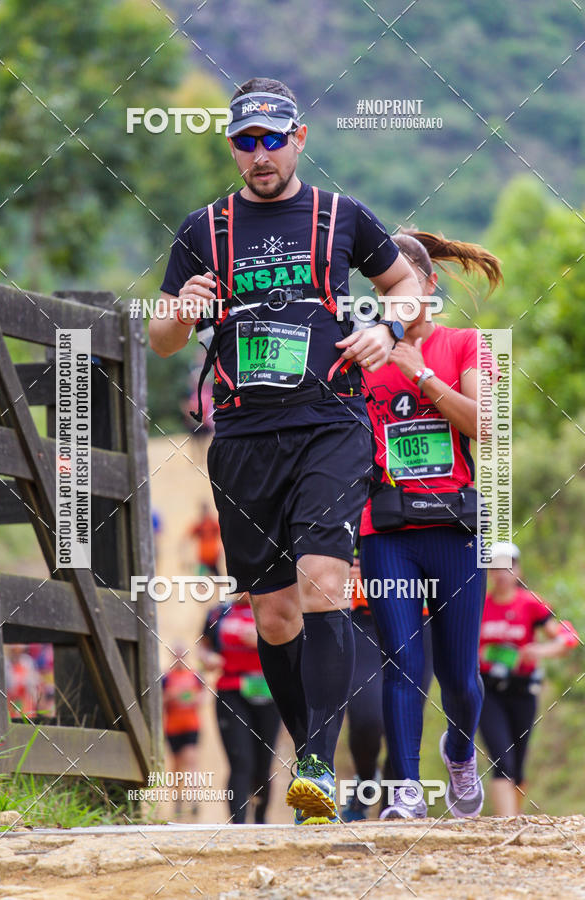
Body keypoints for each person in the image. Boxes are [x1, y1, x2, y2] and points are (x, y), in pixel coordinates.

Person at [150, 76, 422, 823]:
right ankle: (312, 764)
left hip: (331, 422)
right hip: (242, 436)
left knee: (325, 582)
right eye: (246, 140)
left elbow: (405, 288)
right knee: (273, 616)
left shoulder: (342, 216)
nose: (260, 153)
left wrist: (388, 331)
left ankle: (314, 764)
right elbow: (162, 333)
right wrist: (186, 312)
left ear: (299, 139)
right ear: (232, 147)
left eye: (273, 138)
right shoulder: (203, 228)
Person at [360, 228, 503, 819]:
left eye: (403, 287)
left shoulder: (468, 344)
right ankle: (406, 791)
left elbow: (487, 425)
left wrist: (421, 376)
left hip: (455, 531)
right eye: (380, 291)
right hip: (387, 534)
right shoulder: (361, 359)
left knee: (460, 678)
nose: (392, 302)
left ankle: (461, 750)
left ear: (430, 285)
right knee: (402, 661)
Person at [478, 542, 578, 817]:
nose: (501, 573)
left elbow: (567, 638)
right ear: (488, 572)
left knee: (518, 766)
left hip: (523, 691)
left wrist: (538, 650)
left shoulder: (530, 603)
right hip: (488, 691)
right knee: (502, 759)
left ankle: (514, 818)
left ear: (518, 569)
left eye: (508, 566)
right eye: (495, 567)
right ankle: (507, 825)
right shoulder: (478, 606)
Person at [342, 546, 433, 821]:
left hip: (420, 618)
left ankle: (393, 810)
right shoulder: (357, 502)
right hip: (364, 617)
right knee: (367, 719)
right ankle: (365, 781)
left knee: (404, 719)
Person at [199, 592, 281, 824]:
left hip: (269, 692)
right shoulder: (218, 613)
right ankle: (238, 826)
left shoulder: (275, 607)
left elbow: (293, 644)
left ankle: (261, 821)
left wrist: (262, 638)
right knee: (240, 761)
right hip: (231, 692)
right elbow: (203, 647)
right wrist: (208, 658)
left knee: (263, 764)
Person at [162, 646, 204, 819]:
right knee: (177, 765)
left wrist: (191, 698)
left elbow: (202, 697)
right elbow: (160, 700)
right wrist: (170, 697)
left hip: (191, 725)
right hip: (172, 727)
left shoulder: (194, 676)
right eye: (176, 655)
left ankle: (194, 799)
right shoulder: (166, 678)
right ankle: (178, 801)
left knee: (191, 759)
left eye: (182, 655)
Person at [187, 501, 222, 577]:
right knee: (202, 579)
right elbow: (189, 536)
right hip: (204, 557)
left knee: (217, 579)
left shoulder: (212, 523)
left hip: (212, 556)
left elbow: (221, 536)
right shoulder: (199, 524)